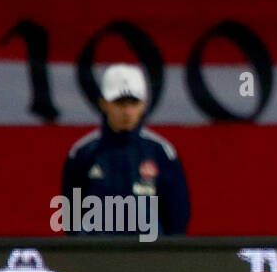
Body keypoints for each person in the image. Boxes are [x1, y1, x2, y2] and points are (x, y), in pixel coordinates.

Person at [60, 64, 190, 237]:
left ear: (143, 104)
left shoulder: (161, 152)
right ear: (104, 103)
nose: (127, 111)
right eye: (119, 103)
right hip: (96, 255)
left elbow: (176, 217)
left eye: (134, 103)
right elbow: (71, 217)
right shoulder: (84, 152)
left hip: (147, 255)